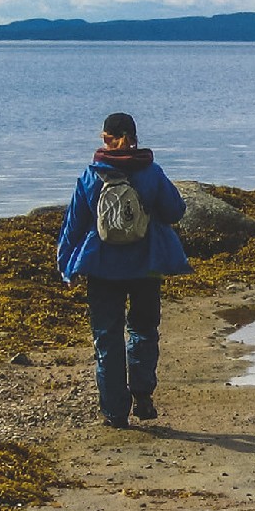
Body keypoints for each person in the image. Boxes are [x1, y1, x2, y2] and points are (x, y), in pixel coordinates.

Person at [56, 112, 193, 428]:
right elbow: (176, 210)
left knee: (107, 338)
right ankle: (142, 395)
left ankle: (115, 413)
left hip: (102, 268)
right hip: (147, 265)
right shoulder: (151, 172)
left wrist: (66, 267)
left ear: (116, 138)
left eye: (105, 137)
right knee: (143, 329)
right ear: (134, 137)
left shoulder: (91, 176)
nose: (102, 142)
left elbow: (72, 226)